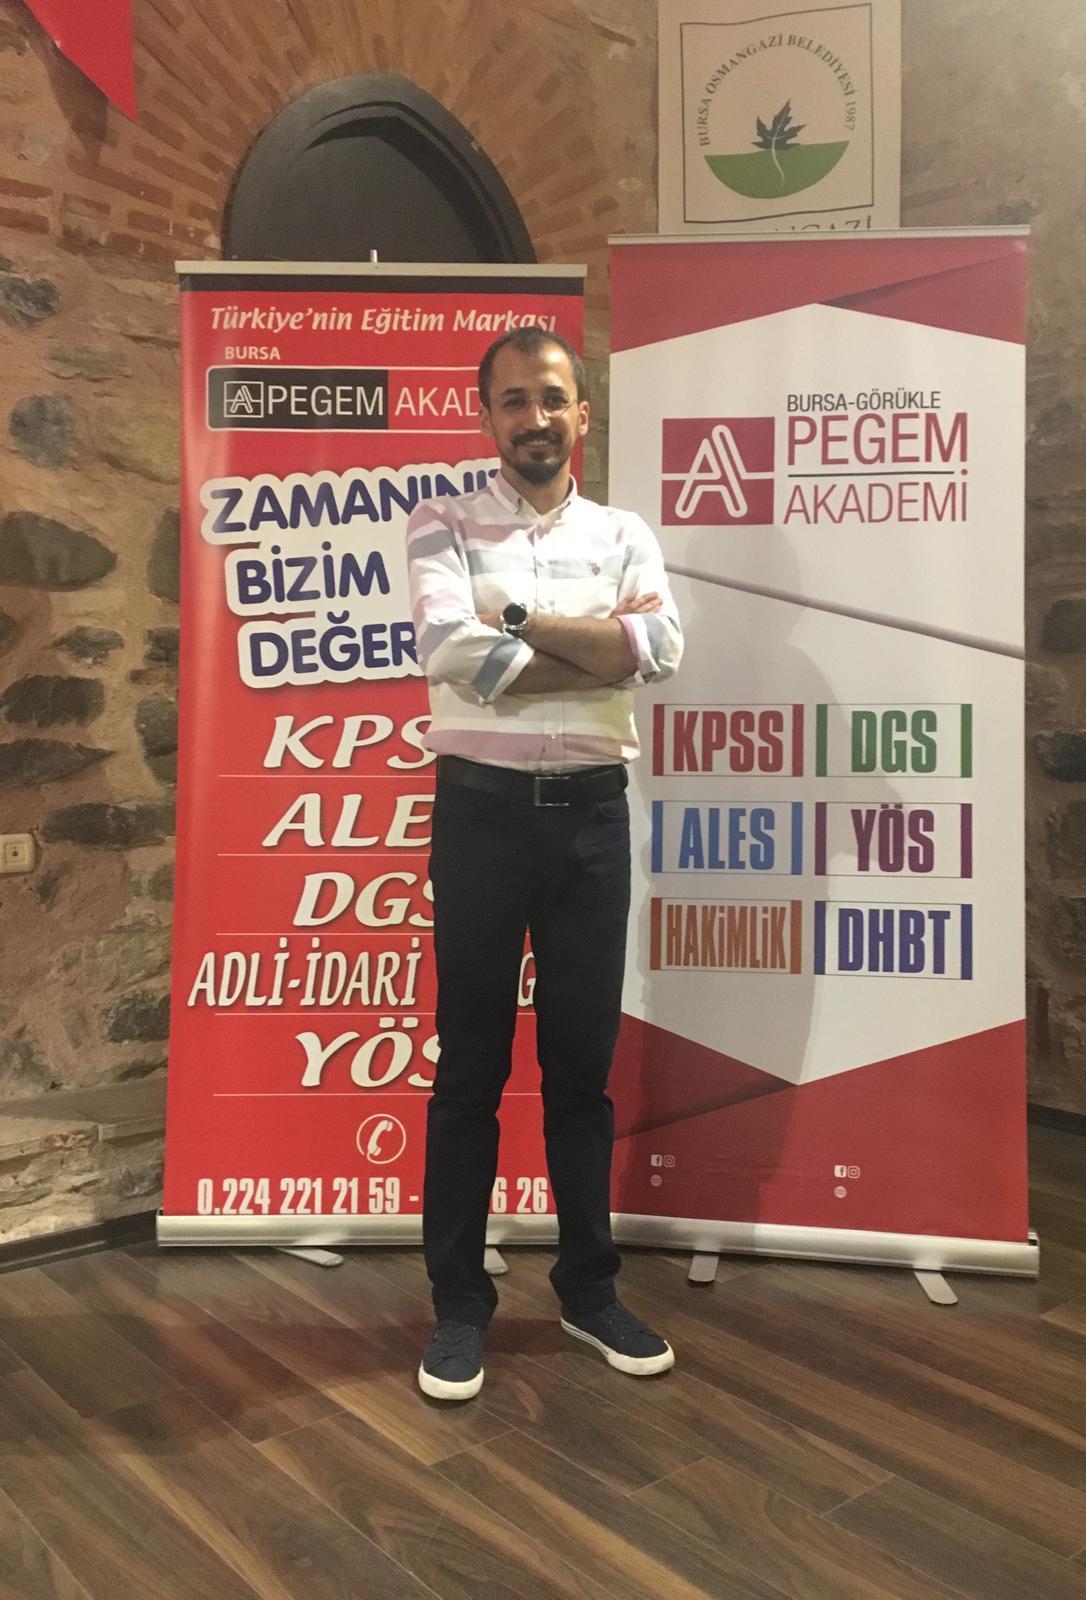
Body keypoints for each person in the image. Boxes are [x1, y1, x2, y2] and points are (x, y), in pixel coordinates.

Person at [405, 327, 684, 1400]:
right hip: (480, 820)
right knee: (469, 1066)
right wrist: (599, 649)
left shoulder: (624, 532)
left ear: (582, 414)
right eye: (514, 400)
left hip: (592, 823)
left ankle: (587, 1290)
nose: (535, 418)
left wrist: (515, 619)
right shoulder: (440, 523)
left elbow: (659, 650)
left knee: (581, 1070)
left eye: (552, 398)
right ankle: (458, 1305)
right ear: (487, 416)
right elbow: (448, 653)